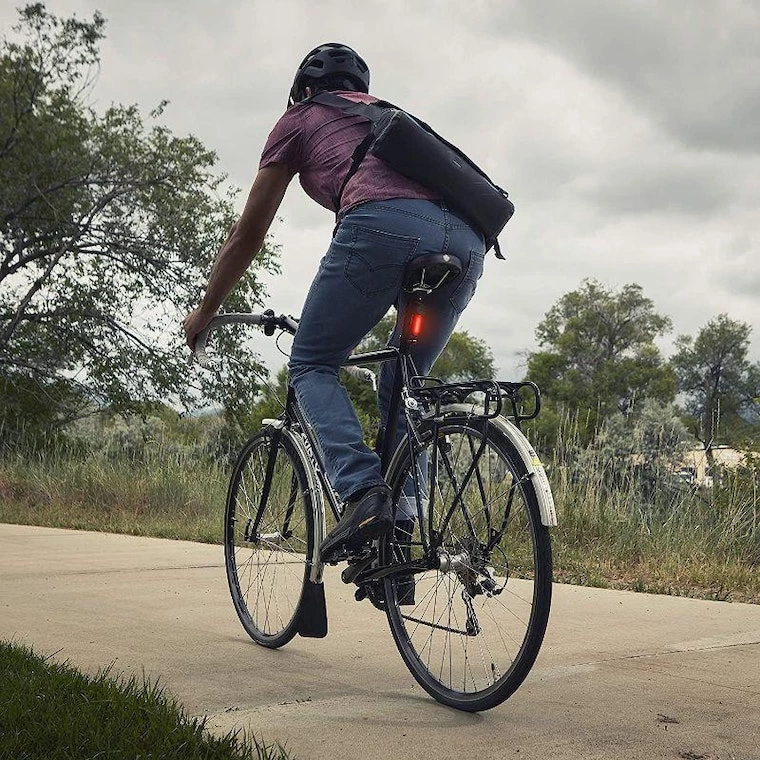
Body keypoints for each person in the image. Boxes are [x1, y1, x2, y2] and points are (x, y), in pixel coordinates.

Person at [183, 43, 486, 563]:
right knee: (404, 383)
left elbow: (249, 232)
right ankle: (400, 540)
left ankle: (363, 492)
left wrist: (205, 310)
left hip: (383, 227)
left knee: (311, 363)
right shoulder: (388, 117)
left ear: (304, 90)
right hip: (468, 239)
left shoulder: (299, 118)